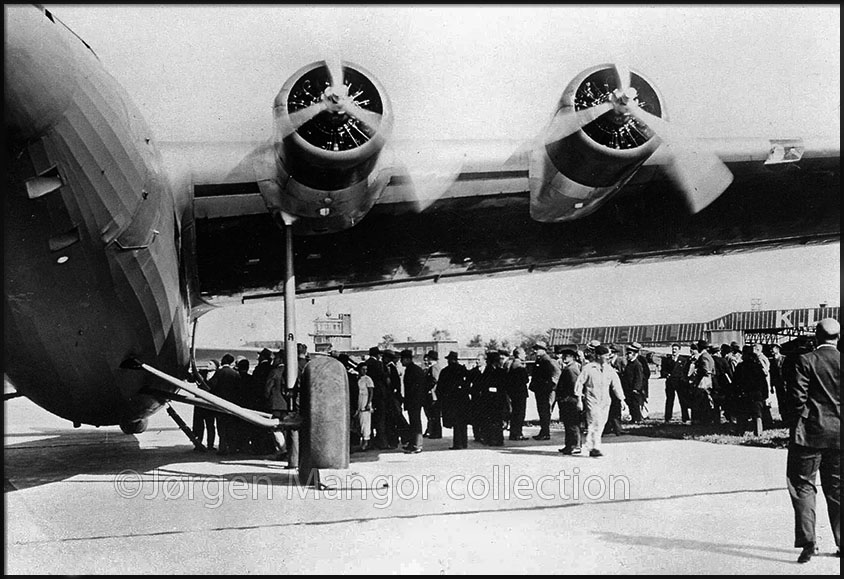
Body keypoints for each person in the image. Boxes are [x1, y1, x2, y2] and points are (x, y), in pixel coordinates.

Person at [785, 318, 840, 563]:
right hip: (839, 435)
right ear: (838, 337)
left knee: (803, 486)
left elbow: (796, 399)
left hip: (809, 435)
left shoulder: (805, 360)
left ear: (816, 337)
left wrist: (802, 420)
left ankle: (809, 543)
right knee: (838, 488)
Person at [574, 345, 626, 457]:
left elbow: (616, 385)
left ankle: (594, 446)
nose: (608, 357)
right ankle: (594, 447)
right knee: (594, 422)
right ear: (598, 356)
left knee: (601, 424)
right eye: (605, 355)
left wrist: (622, 400)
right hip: (592, 400)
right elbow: (579, 383)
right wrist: (579, 400)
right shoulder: (588, 368)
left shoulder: (609, 369)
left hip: (605, 401)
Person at [730, 345, 769, 435]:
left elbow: (736, 382)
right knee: (757, 414)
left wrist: (735, 393)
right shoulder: (758, 366)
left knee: (742, 414)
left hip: (744, 394)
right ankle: (758, 432)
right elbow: (763, 382)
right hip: (757, 394)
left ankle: (740, 432)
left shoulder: (740, 367)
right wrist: (765, 394)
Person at [208, 354, 240, 455]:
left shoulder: (219, 372)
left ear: (223, 361)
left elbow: (211, 385)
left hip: (220, 403)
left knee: (221, 427)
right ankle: (232, 448)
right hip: (232, 404)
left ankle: (222, 448)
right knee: (231, 427)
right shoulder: (235, 373)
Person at [438, 351, 470, 449]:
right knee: (462, 422)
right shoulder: (463, 370)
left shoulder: (445, 371)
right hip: (463, 399)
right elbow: (468, 383)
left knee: (456, 422)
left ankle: (458, 443)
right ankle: (464, 442)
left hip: (451, 400)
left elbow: (440, 387)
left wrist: (442, 398)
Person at [476, 350, 508, 446]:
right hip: (492, 398)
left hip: (494, 398)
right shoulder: (492, 371)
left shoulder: (494, 371)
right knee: (493, 418)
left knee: (494, 418)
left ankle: (494, 439)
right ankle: (493, 439)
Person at [530, 341, 559, 441]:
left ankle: (545, 433)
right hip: (540, 390)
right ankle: (543, 432)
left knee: (545, 411)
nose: (535, 351)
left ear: (543, 350)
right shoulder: (540, 360)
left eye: (537, 349)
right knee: (542, 411)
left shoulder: (547, 360)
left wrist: (550, 387)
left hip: (545, 391)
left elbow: (556, 374)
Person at [556, 348, 582, 455]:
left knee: (572, 424)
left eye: (567, 356)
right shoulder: (570, 368)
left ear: (573, 357)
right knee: (569, 423)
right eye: (563, 356)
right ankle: (569, 445)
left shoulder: (571, 369)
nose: (564, 358)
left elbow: (574, 386)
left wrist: (566, 398)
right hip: (568, 400)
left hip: (570, 400)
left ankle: (575, 445)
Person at [400, 349, 427, 454]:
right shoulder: (414, 369)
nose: (401, 362)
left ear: (407, 359)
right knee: (414, 422)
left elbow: (415, 388)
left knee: (415, 422)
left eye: (402, 359)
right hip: (415, 401)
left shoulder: (412, 370)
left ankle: (417, 445)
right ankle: (413, 444)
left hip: (414, 401)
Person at [192, 360, 218, 452]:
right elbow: (191, 378)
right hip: (199, 403)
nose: (207, 365)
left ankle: (210, 444)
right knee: (198, 425)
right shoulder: (202, 373)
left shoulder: (218, 375)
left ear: (215, 366)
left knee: (210, 425)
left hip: (209, 404)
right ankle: (198, 443)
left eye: (210, 364)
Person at [661, 343, 690, 423]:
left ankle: (685, 418)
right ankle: (668, 417)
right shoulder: (667, 360)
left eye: (676, 349)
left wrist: (683, 379)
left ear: (679, 350)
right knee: (669, 400)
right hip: (670, 383)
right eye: (673, 349)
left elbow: (685, 372)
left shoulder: (683, 360)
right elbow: (663, 371)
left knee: (682, 400)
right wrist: (666, 374)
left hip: (680, 383)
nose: (674, 351)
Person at [506, 347, 530, 441]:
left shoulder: (511, 364)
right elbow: (525, 379)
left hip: (513, 392)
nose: (525, 355)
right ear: (519, 354)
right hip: (520, 393)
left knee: (515, 413)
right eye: (524, 353)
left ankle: (513, 433)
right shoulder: (520, 366)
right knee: (520, 414)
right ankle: (518, 433)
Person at [621, 344, 645, 423]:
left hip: (634, 389)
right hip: (628, 388)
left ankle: (637, 419)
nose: (628, 355)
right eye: (627, 353)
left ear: (634, 354)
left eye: (629, 353)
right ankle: (633, 418)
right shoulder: (629, 363)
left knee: (635, 404)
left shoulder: (637, 364)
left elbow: (639, 377)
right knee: (630, 404)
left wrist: (636, 388)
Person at [422, 350, 443, 439]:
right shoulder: (437, 367)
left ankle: (436, 432)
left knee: (434, 414)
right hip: (434, 394)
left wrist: (427, 387)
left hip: (433, 394)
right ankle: (433, 431)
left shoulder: (434, 368)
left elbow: (435, 380)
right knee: (434, 414)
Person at [354, 362, 374, 452]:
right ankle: (362, 441)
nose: (364, 371)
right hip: (359, 401)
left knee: (366, 422)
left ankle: (366, 442)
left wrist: (368, 403)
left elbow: (371, 392)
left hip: (365, 401)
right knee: (360, 422)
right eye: (363, 369)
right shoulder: (357, 378)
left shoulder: (368, 379)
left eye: (366, 369)